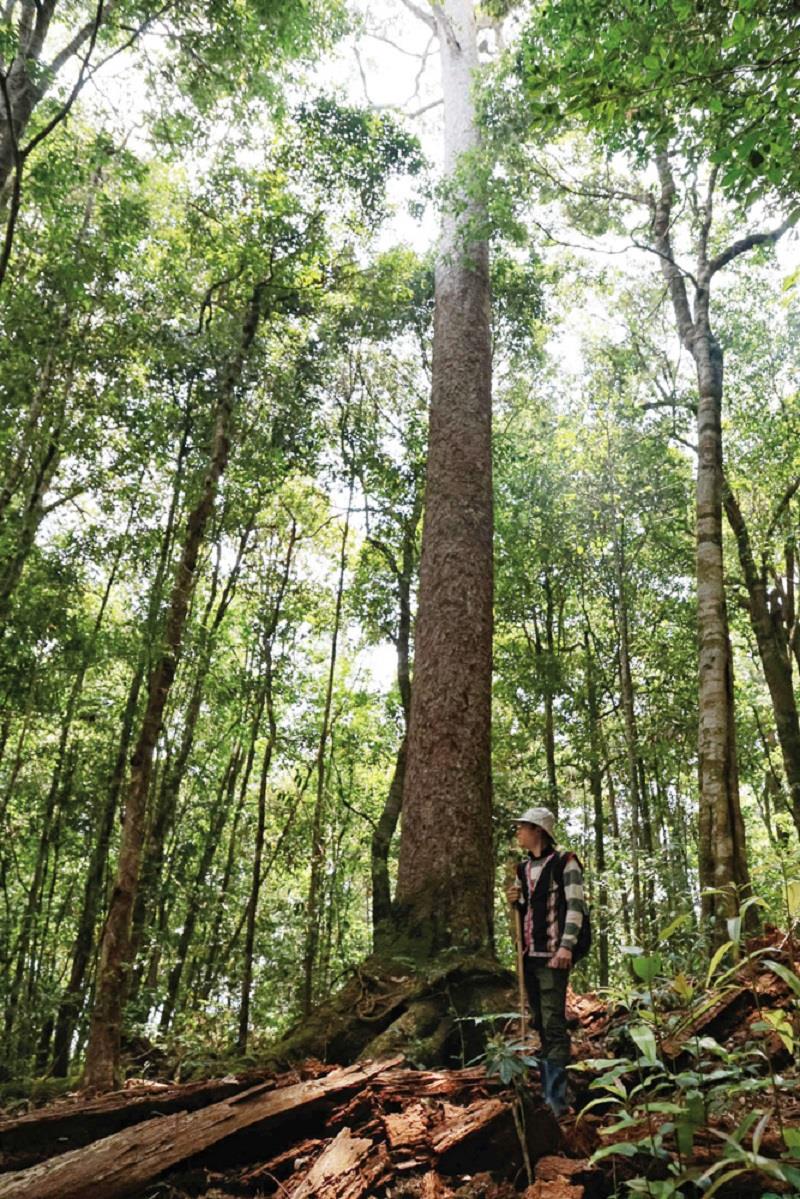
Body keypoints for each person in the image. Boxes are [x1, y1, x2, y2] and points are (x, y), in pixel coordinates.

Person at [505, 805, 586, 1117]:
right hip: (530, 956)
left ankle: (556, 1101)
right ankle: (544, 1091)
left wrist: (566, 947)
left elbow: (575, 905)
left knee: (553, 1025)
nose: (518, 832)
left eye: (523, 827)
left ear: (537, 830)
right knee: (539, 1021)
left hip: (554, 956)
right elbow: (529, 910)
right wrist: (517, 900)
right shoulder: (524, 869)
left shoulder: (565, 862)